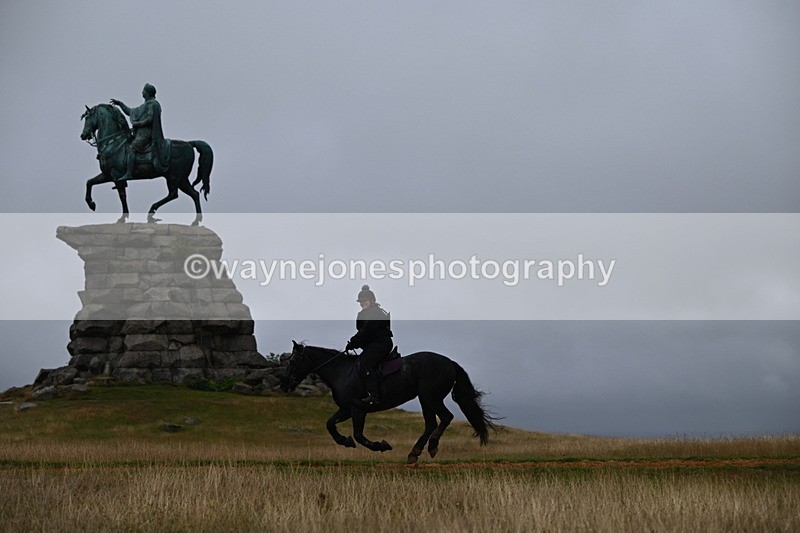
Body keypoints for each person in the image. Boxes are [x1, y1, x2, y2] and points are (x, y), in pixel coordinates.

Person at [110, 83, 168, 183]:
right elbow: (130, 111)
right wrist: (120, 104)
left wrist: (137, 124)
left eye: (144, 90)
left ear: (148, 93)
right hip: (139, 135)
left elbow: (150, 119)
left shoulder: (153, 104)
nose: (142, 92)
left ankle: (129, 173)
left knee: (132, 148)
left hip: (147, 135)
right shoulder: (144, 106)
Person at [345, 285, 393, 405]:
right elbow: (362, 333)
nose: (362, 303)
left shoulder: (375, 312)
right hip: (373, 344)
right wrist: (354, 343)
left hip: (381, 343)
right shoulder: (362, 314)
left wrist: (353, 342)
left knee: (364, 364)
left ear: (371, 301)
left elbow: (366, 331)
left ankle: (374, 395)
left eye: (365, 301)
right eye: (361, 302)